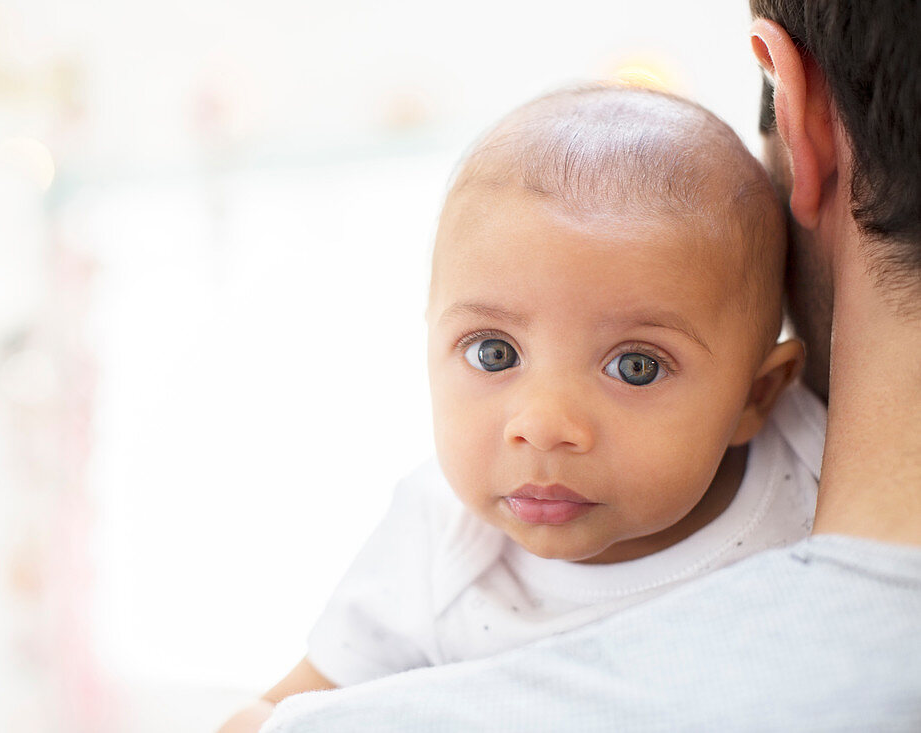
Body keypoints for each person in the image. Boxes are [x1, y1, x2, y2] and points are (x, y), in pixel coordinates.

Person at [258, 1, 921, 730]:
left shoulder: (804, 465)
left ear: (757, 396)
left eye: (635, 366)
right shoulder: (435, 546)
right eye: (493, 353)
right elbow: (278, 704)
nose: (543, 425)